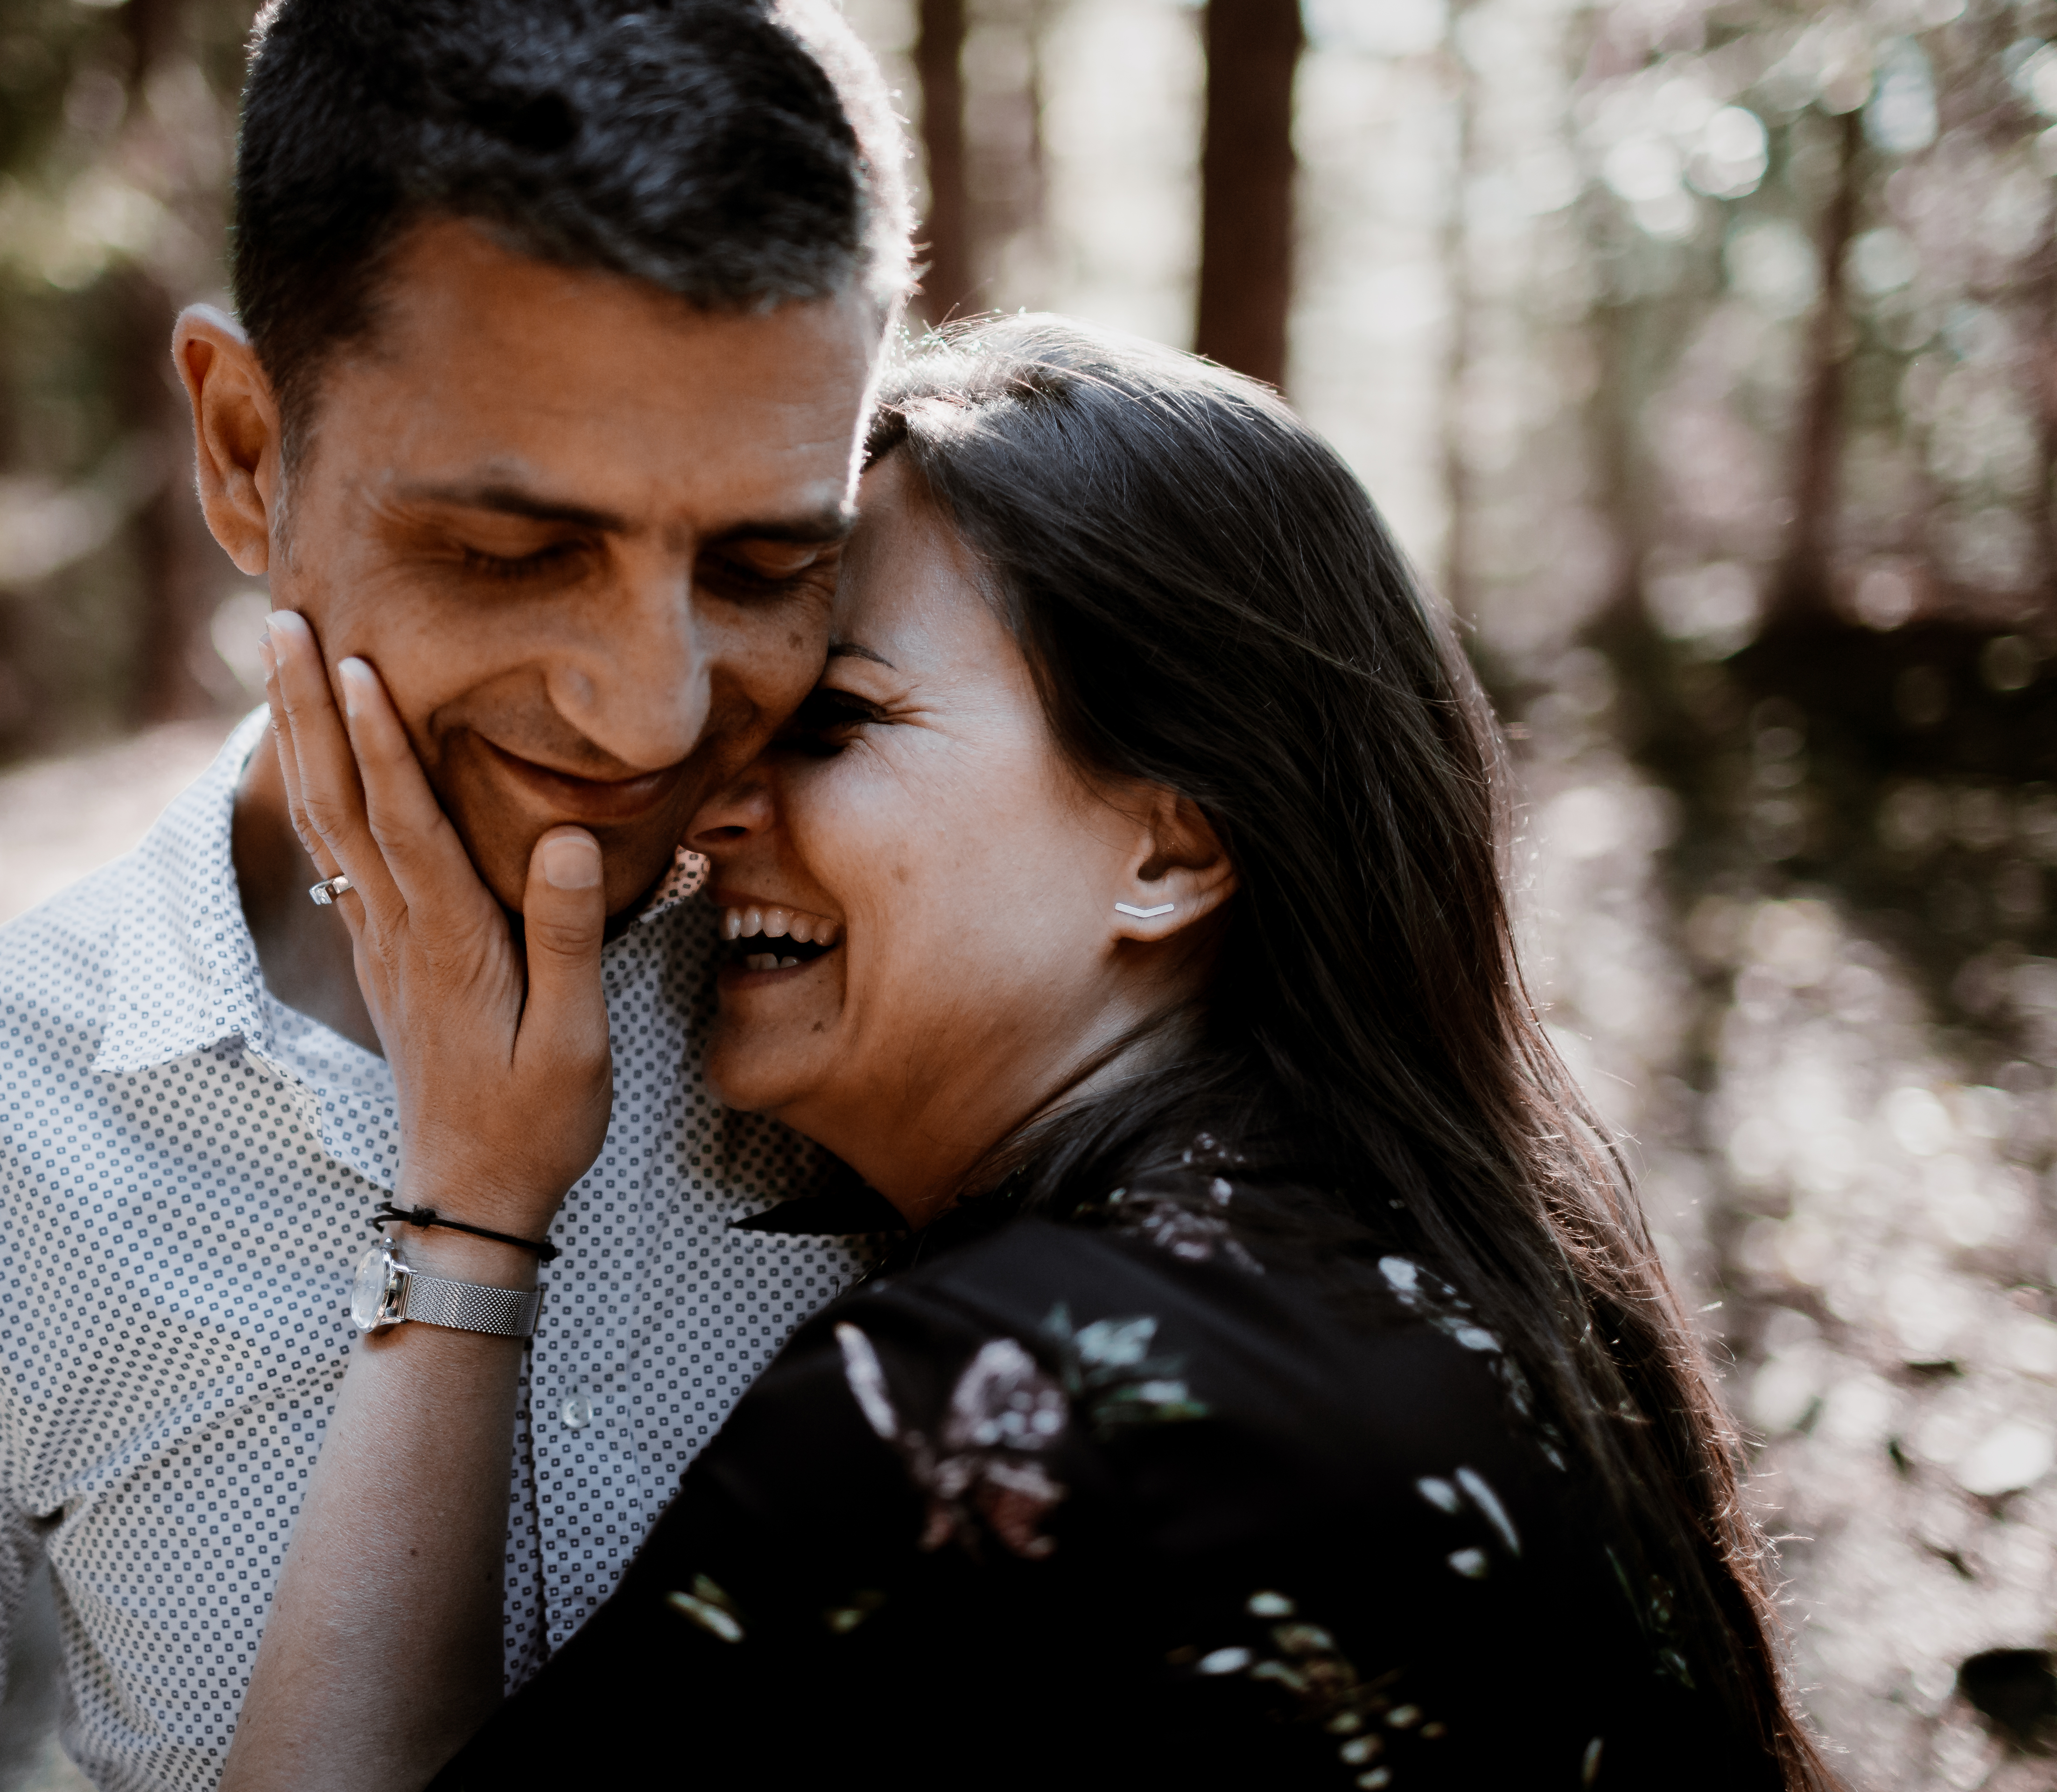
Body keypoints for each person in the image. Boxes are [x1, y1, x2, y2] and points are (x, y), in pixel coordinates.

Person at [232, 316, 1840, 1789]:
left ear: (1172, 847)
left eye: (833, 722)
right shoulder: (1502, 1303)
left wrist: (471, 1204)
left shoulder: (983, 1408)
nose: (711, 807)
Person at [0, 4, 914, 1787]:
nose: (656, 709)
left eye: (769, 561)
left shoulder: (923, 995)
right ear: (244, 450)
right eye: (513, 551)